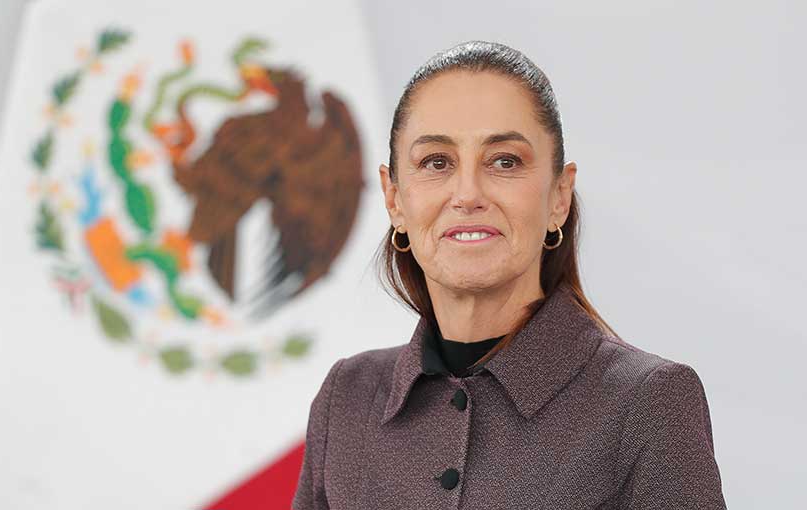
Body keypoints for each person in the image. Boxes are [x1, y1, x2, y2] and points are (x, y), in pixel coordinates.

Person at [292, 41, 725, 509]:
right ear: (394, 199)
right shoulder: (347, 398)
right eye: (437, 162)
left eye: (505, 161)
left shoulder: (648, 402)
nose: (468, 195)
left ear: (559, 196)